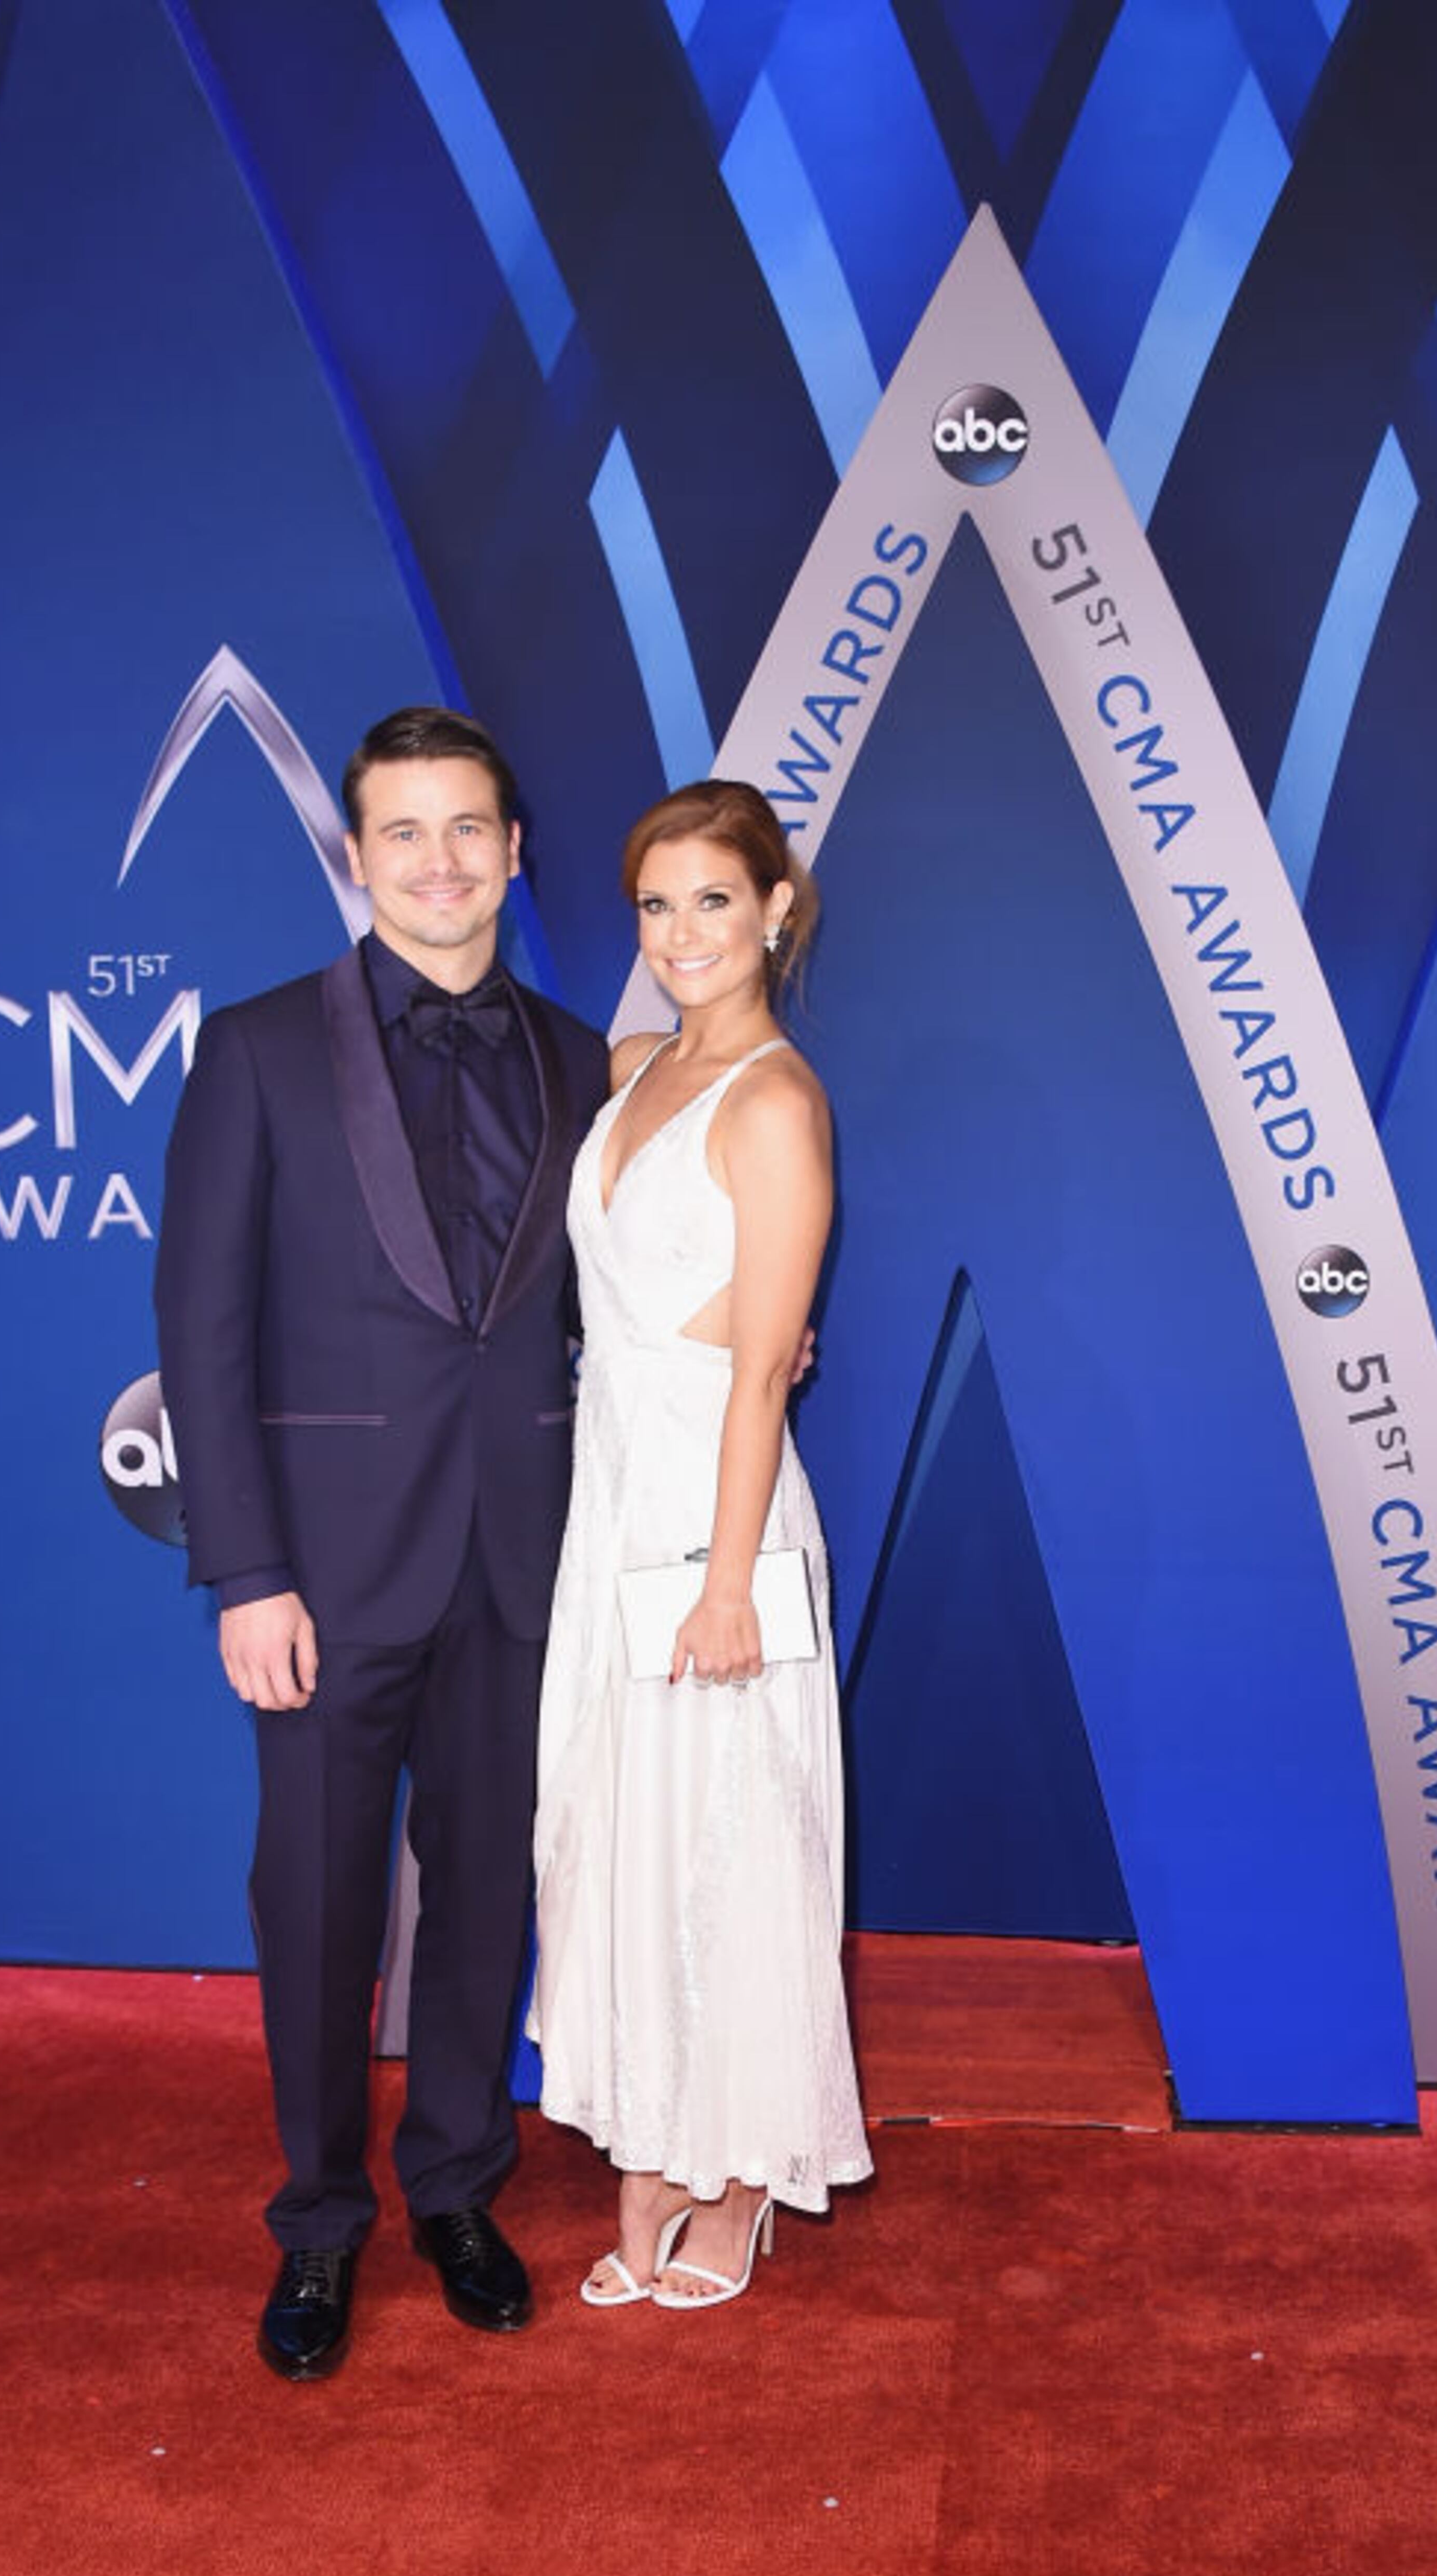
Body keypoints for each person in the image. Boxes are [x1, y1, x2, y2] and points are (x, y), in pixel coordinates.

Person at [155, 706, 608, 2380]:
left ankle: (461, 2189)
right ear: (355, 855)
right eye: (401, 833)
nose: (437, 862)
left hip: (522, 1557)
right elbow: (203, 1327)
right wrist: (245, 1570)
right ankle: (322, 2225)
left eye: (467, 829)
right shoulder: (262, 1049)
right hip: (326, 1577)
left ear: (515, 851)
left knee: (489, 1894)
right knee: (321, 1903)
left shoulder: (580, 1060)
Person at [530, 780, 871, 2308]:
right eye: (656, 907)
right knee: (619, 1833)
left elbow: (760, 1372)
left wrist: (731, 1583)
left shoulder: (781, 1103)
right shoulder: (638, 1068)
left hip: (712, 1515)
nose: (681, 935)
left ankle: (739, 2180)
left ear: (775, 913)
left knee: (732, 1836)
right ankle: (651, 2151)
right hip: (611, 1499)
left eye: (713, 903)